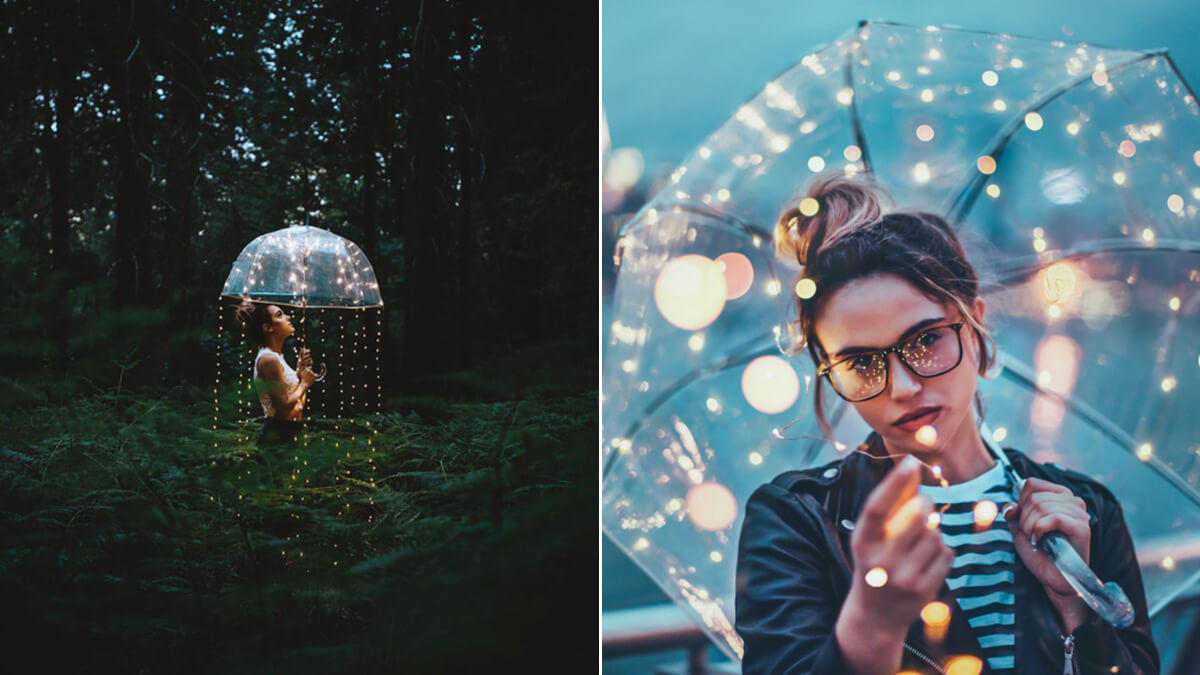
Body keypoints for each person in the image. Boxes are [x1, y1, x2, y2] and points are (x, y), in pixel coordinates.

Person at [734, 173, 1159, 674]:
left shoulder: (1081, 513)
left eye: (924, 341)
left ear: (975, 325)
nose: (903, 387)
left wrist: (1074, 601)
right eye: (862, 364)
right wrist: (872, 622)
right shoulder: (799, 521)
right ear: (828, 373)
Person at [235, 301, 318, 445]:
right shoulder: (268, 360)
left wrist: (300, 372)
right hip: (277, 435)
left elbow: (296, 403)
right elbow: (283, 408)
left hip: (290, 432)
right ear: (268, 328)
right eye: (280, 315)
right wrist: (304, 383)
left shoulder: (277, 358)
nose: (288, 318)